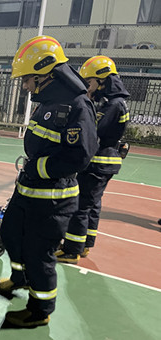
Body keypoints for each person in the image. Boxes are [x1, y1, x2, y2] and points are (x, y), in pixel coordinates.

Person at [0, 36, 97, 327]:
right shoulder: (47, 102)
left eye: (27, 79)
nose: (25, 86)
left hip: (53, 198)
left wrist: (39, 168)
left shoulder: (78, 106)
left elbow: (80, 156)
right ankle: (20, 278)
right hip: (28, 191)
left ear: (45, 75)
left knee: (39, 253)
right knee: (12, 234)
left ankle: (39, 310)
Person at [55, 56, 130, 264]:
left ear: (102, 80)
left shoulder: (113, 104)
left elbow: (93, 129)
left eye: (89, 82)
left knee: (80, 205)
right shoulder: (114, 102)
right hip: (106, 161)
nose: (87, 86)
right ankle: (85, 243)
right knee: (92, 204)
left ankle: (71, 250)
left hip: (98, 162)